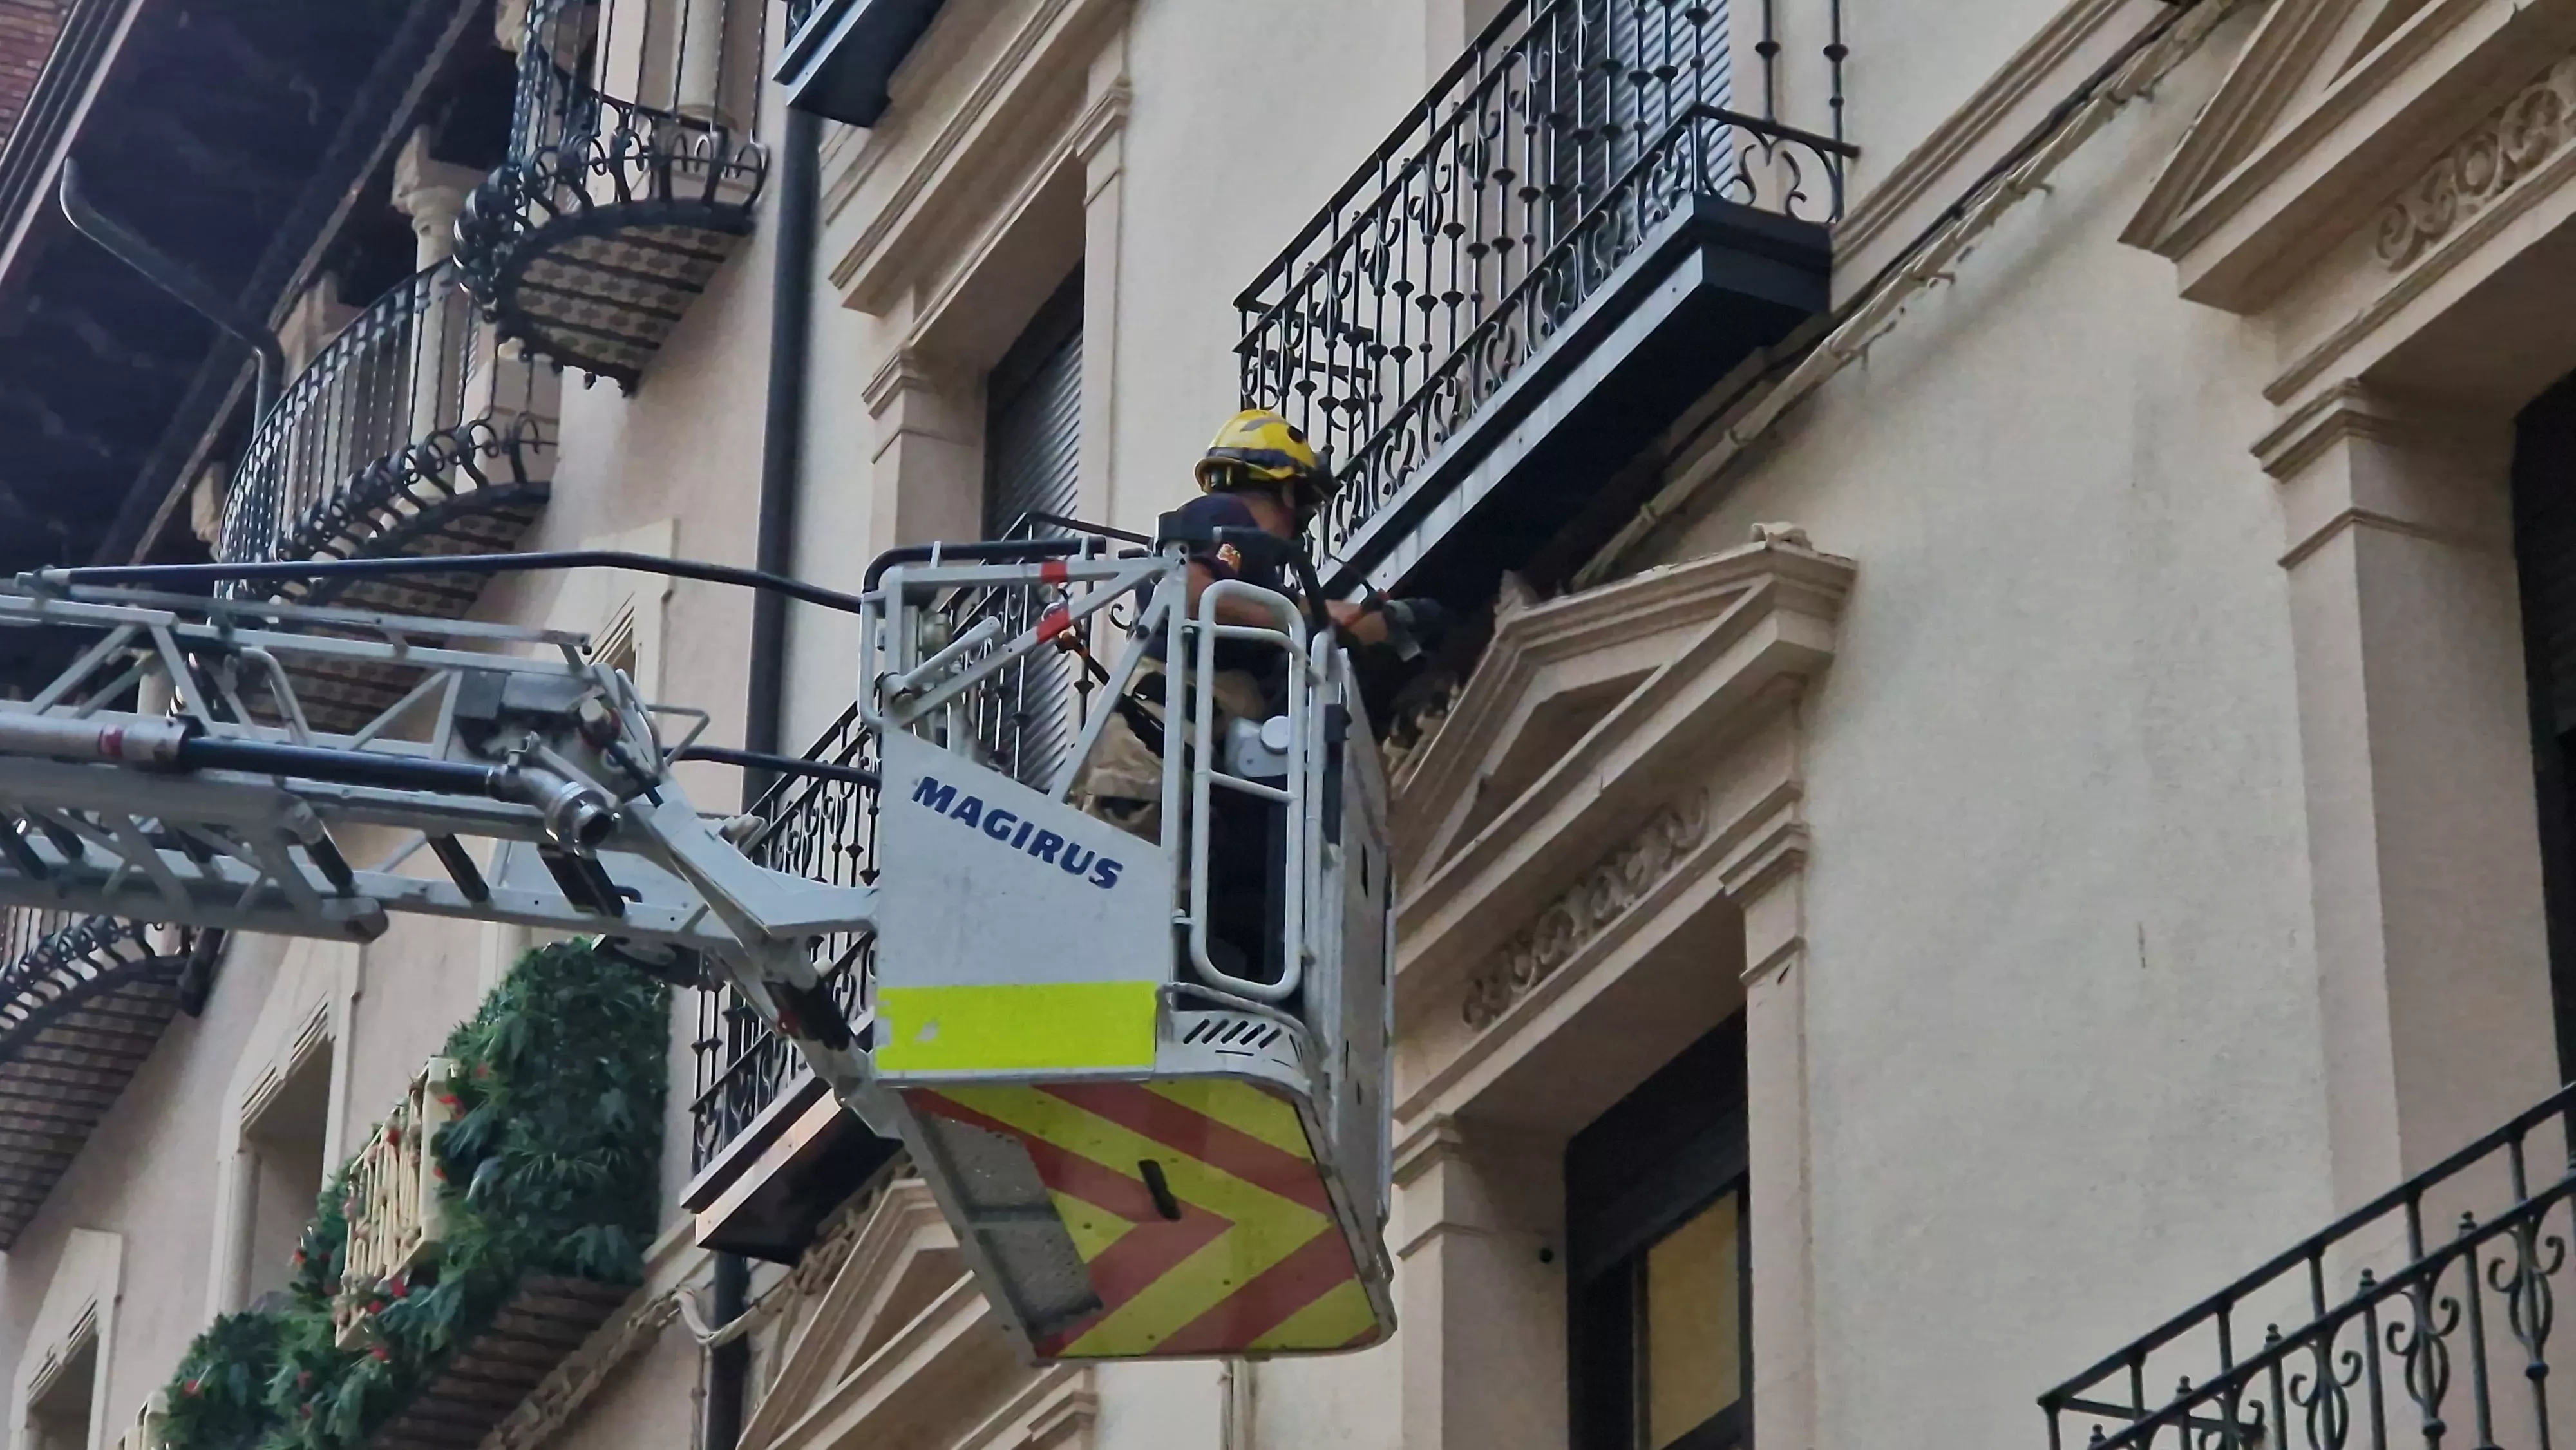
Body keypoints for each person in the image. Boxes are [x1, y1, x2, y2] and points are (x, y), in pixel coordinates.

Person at [1072, 408, 1387, 840]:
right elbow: (1193, 591)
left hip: (1172, 758)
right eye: (1306, 505)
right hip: (1149, 759)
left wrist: (1378, 621)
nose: (1303, 526)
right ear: (1286, 492)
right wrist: (1291, 621)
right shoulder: (1225, 516)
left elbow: (1319, 613)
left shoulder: (1250, 570)